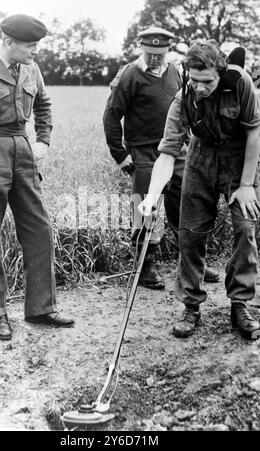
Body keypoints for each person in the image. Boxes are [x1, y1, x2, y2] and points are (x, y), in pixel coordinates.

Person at [0, 14, 74, 341]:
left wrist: (43, 140)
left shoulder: (31, 69)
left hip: (22, 152)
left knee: (39, 228)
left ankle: (41, 307)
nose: (35, 51)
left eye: (37, 45)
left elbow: (44, 105)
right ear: (9, 42)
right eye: (30, 45)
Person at [139, 40, 260, 340]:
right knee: (189, 234)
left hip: (237, 158)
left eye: (207, 81)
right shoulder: (183, 101)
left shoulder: (241, 83)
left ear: (220, 74)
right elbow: (167, 153)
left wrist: (246, 185)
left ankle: (240, 305)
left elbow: (255, 129)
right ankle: (191, 306)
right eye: (194, 80)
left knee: (246, 230)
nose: (200, 87)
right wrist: (152, 197)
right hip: (200, 158)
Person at [103, 27, 218, 289]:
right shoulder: (129, 74)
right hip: (143, 151)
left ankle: (191, 261)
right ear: (142, 48)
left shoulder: (175, 71)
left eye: (160, 53)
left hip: (175, 147)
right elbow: (111, 115)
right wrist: (120, 155)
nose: (155, 58)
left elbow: (188, 106)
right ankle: (146, 266)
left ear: (167, 49)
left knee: (186, 205)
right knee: (145, 207)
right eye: (150, 53)